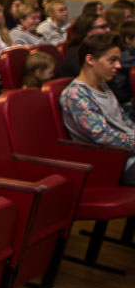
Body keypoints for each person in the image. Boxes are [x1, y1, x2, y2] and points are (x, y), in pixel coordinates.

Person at [60, 33, 135, 186]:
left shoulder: (104, 86)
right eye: (112, 60)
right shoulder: (75, 95)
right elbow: (104, 137)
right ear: (90, 60)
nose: (118, 66)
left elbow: (123, 121)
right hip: (114, 164)